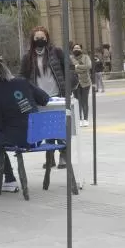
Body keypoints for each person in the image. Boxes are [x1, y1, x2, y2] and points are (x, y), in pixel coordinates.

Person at [0, 62, 50, 193]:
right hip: (36, 137)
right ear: (8, 70)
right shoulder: (23, 82)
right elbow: (44, 98)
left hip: (17, 138)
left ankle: (9, 178)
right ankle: (9, 178)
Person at [19, 26, 72, 169]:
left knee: (59, 127)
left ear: (47, 38)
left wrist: (69, 88)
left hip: (57, 95)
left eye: (42, 37)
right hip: (40, 98)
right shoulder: (28, 57)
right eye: (37, 38)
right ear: (32, 40)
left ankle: (63, 155)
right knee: (47, 128)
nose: (40, 40)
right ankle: (50, 157)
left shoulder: (57, 52)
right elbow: (22, 77)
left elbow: (69, 68)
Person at [70, 44, 92, 127]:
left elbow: (88, 66)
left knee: (84, 101)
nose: (76, 49)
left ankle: (85, 119)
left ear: (81, 49)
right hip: (75, 83)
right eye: (75, 48)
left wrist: (77, 66)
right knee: (77, 101)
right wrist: (81, 68)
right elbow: (70, 67)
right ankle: (79, 119)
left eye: (78, 48)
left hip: (85, 82)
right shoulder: (71, 58)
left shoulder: (86, 57)